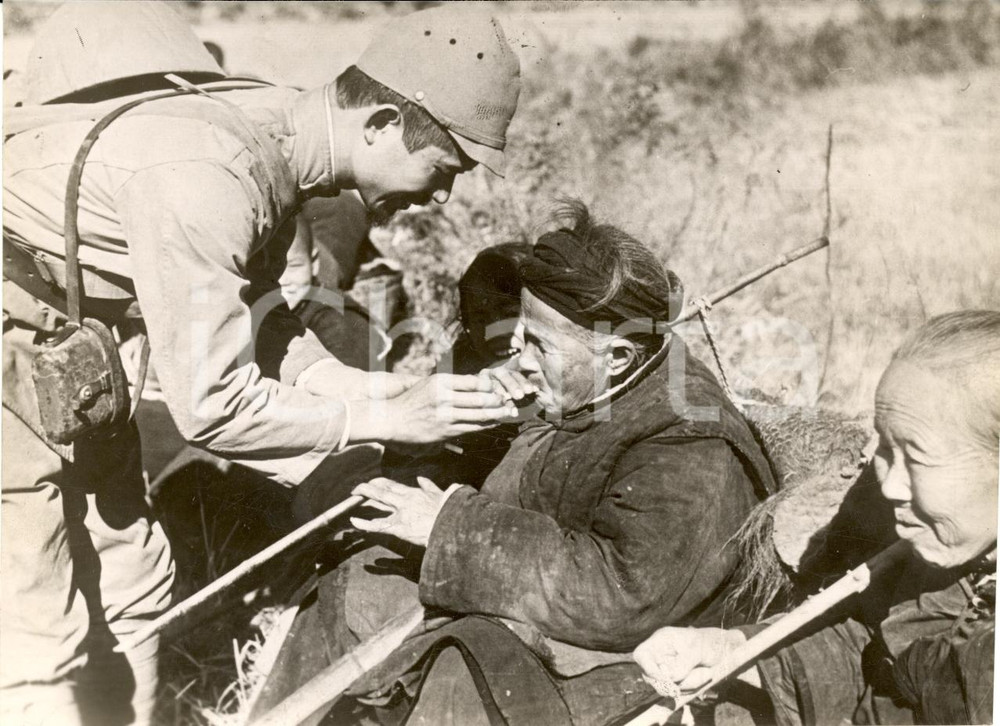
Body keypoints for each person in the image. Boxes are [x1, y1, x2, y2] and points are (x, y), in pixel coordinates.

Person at [1, 3, 522, 724]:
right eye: (444, 168)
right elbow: (210, 407)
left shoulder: (287, 141)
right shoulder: (209, 173)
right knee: (35, 620)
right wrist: (375, 415)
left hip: (72, 350)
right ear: (382, 125)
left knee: (136, 579)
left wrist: (385, 389)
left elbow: (262, 322)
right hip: (17, 340)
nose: (443, 195)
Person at [252, 201, 776, 725]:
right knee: (357, 583)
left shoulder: (690, 441)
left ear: (617, 356)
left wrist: (450, 527)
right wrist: (492, 422)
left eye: (539, 346)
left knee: (461, 672)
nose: (519, 357)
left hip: (633, 656)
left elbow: (622, 594)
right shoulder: (591, 381)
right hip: (545, 610)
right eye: (521, 334)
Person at [634, 310, 1000, 725]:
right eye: (884, 449)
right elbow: (874, 651)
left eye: (916, 457)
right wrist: (727, 649)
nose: (891, 486)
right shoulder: (956, 557)